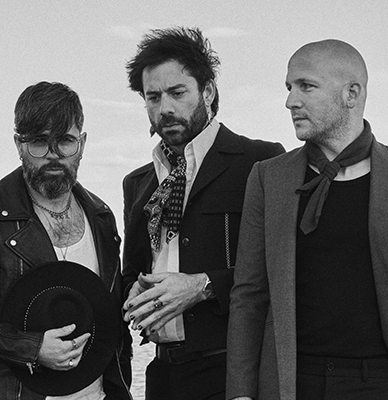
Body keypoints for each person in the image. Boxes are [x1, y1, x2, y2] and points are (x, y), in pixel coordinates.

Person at [226, 39, 388, 400]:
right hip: (292, 382)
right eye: (289, 88)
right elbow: (249, 295)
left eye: (306, 86)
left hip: (382, 383)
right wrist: (241, 394)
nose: (291, 101)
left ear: (351, 94)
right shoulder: (268, 177)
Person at [0, 81, 132, 400]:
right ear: (19, 144)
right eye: (39, 142)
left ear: (82, 143)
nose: (53, 155)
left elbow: (112, 320)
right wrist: (31, 348)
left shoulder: (101, 216)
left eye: (65, 141)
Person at [121, 27, 285, 400]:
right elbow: (133, 270)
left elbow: (283, 268)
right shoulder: (138, 183)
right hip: (162, 376)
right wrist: (134, 292)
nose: (165, 108)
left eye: (177, 93)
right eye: (153, 97)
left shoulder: (260, 162)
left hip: (234, 374)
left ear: (207, 92)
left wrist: (202, 286)